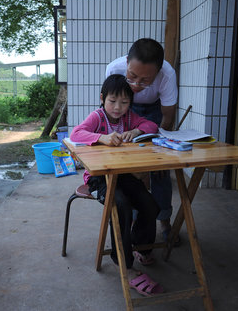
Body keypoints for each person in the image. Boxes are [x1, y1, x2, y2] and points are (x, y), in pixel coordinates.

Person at [70, 74, 164, 296]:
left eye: (124, 102)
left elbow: (152, 125)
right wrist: (101, 138)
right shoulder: (98, 117)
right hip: (98, 178)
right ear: (102, 98)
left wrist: (137, 131)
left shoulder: (130, 117)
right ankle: (124, 263)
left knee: (150, 203)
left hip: (123, 175)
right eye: (113, 101)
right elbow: (76, 133)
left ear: (130, 104)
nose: (118, 107)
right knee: (120, 205)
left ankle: (142, 247)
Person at [106, 38, 178, 243]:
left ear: (158, 71)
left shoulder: (168, 74)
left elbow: (168, 116)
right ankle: (133, 219)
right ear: (127, 61)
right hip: (127, 109)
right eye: (132, 76)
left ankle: (164, 220)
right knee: (131, 168)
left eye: (146, 80)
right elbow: (111, 110)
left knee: (160, 169)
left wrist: (162, 152)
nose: (137, 84)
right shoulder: (114, 69)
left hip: (156, 112)